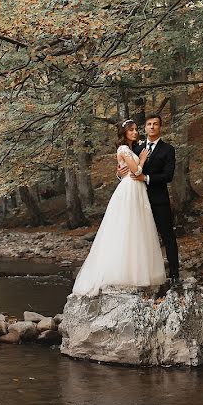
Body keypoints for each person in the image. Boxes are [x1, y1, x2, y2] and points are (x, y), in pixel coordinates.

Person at [71, 120, 166, 296]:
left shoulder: (133, 148)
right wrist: (142, 160)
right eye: (131, 130)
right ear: (124, 133)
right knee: (126, 226)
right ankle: (121, 273)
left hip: (137, 189)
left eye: (136, 129)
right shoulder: (123, 149)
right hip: (130, 189)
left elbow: (128, 170)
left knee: (138, 228)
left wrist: (124, 170)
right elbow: (136, 171)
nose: (135, 132)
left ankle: (139, 272)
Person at [118, 114, 180, 284]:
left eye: (156, 124)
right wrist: (119, 174)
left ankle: (174, 273)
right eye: (149, 124)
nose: (152, 127)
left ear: (160, 128)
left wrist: (146, 178)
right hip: (137, 200)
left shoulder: (168, 149)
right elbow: (127, 168)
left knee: (167, 236)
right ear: (145, 128)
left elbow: (168, 176)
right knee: (140, 236)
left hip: (158, 199)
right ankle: (142, 273)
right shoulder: (136, 149)